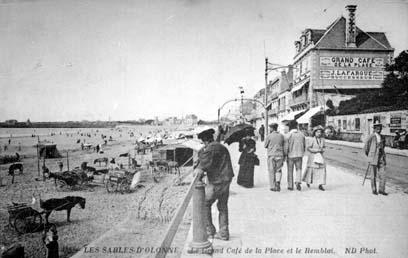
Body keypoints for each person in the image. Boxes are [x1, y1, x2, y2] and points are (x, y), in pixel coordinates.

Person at [195, 128, 234, 241]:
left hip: (217, 181)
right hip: (226, 179)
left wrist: (202, 154)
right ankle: (224, 232)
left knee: (205, 204)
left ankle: (209, 230)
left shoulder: (209, 149)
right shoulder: (220, 146)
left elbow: (204, 165)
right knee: (222, 206)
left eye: (203, 142)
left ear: (205, 140)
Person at [364, 123, 387, 195]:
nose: (379, 129)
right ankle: (374, 190)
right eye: (377, 127)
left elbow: (384, 146)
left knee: (383, 174)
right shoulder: (371, 136)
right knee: (373, 175)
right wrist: (370, 155)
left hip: (381, 157)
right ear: (374, 128)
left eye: (380, 128)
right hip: (373, 157)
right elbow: (366, 147)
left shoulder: (382, 137)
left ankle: (381, 190)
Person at [302, 125, 326, 191]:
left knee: (321, 170)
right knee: (310, 170)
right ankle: (308, 181)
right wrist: (316, 150)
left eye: (320, 132)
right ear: (314, 133)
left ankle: (320, 184)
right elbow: (308, 148)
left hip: (320, 157)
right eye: (317, 132)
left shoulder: (322, 140)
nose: (319, 133)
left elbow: (324, 147)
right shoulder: (312, 139)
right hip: (313, 157)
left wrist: (322, 150)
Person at [285, 120, 306, 191]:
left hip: (290, 155)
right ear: (297, 126)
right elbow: (304, 145)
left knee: (290, 171)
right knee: (299, 169)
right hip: (299, 155)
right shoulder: (302, 134)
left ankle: (290, 185)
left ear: (290, 127)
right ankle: (298, 182)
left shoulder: (288, 135)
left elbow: (286, 146)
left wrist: (285, 154)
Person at [264, 123, 285, 192]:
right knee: (278, 170)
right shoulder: (281, 136)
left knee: (271, 170)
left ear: (272, 128)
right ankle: (278, 182)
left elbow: (265, 145)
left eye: (270, 128)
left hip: (271, 155)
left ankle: (273, 186)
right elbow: (283, 144)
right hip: (280, 155)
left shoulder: (269, 136)